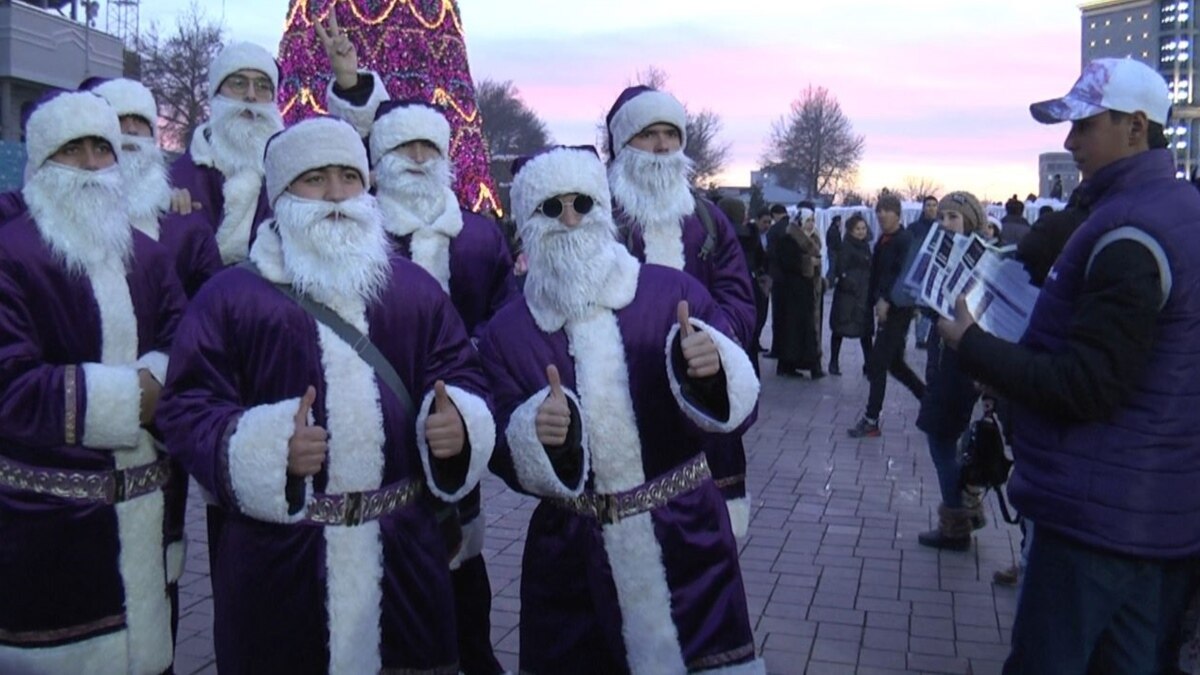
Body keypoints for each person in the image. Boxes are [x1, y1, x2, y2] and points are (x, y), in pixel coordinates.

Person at [156, 117, 496, 673]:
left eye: (348, 177)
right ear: (281, 195)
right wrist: (264, 451)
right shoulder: (231, 297)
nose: (336, 195)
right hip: (281, 564)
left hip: (402, 562)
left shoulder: (415, 290)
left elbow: (462, 374)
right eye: (315, 179)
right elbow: (187, 406)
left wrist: (460, 424)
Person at [939, 57, 1200, 673]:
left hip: (1094, 520)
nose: (1069, 141)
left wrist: (974, 345)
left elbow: (1087, 385)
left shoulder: (1131, 232)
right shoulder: (1174, 210)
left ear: (1136, 127)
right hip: (1153, 513)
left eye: (1084, 125)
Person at [478, 145, 763, 674]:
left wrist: (711, 372)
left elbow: (740, 411)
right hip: (570, 560)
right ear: (526, 223)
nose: (568, 219)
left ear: (603, 210)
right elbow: (499, 446)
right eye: (551, 207)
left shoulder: (671, 291)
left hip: (684, 537)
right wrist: (538, 437)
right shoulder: (506, 332)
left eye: (581, 203)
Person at [316, 21, 517, 670]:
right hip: (371, 439)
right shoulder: (352, 235)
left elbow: (504, 326)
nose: (420, 161)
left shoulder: (481, 238)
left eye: (431, 149)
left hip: (458, 428)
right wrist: (349, 84)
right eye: (405, 150)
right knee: (379, 578)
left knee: (462, 570)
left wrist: (469, 393)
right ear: (381, 158)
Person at [0, 90, 185, 674]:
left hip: (150, 527)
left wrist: (163, 377)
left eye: (100, 150)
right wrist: (135, 397)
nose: (88, 164)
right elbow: (10, 387)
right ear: (41, 166)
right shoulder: (11, 255)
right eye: (70, 150)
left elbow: (188, 345)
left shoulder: (151, 259)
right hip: (50, 533)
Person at [605, 85, 758, 537]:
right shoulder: (600, 218)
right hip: (622, 400)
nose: (661, 145)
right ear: (621, 145)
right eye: (647, 134)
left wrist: (713, 343)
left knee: (705, 550)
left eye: (670, 134)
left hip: (702, 398)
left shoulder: (708, 220)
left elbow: (739, 299)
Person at [82, 77, 222, 298]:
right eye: (120, 119)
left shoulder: (188, 228)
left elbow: (208, 309)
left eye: (139, 120)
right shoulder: (61, 216)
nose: (131, 130)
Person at [914, 191, 986, 551]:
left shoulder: (978, 261)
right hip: (944, 362)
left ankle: (957, 521)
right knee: (948, 442)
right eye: (941, 218)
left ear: (970, 221)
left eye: (953, 218)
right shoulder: (943, 256)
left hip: (958, 365)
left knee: (940, 440)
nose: (944, 224)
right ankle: (964, 511)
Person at [169, 41, 281, 265]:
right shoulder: (179, 177)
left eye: (262, 86)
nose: (251, 96)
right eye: (239, 83)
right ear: (216, 94)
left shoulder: (287, 177)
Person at [847, 193, 926, 437]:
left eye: (886, 211)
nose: (881, 215)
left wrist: (887, 301)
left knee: (877, 364)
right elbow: (878, 275)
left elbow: (902, 277)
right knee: (895, 365)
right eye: (879, 211)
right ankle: (930, 402)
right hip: (883, 307)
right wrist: (872, 301)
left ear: (897, 214)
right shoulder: (884, 239)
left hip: (896, 310)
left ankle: (871, 419)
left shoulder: (904, 240)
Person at [774, 208, 824, 378]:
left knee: (806, 328)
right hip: (792, 292)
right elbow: (787, 262)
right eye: (808, 220)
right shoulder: (789, 239)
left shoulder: (813, 239)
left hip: (807, 290)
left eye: (812, 220)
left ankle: (806, 363)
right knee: (794, 329)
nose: (811, 224)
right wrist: (808, 263)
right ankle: (793, 364)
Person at [828, 213, 873, 375]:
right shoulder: (846, 246)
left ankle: (869, 364)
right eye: (858, 229)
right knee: (840, 329)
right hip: (847, 296)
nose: (861, 232)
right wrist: (850, 283)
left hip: (863, 294)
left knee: (865, 331)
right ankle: (833, 362)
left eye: (863, 228)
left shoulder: (866, 246)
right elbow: (841, 268)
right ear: (850, 230)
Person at [909, 196, 939, 348]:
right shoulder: (914, 227)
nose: (931, 208)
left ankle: (928, 337)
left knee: (930, 303)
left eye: (934, 205)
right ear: (923, 208)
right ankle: (920, 338)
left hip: (935, 270)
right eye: (928, 205)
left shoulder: (941, 228)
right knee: (918, 305)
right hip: (918, 269)